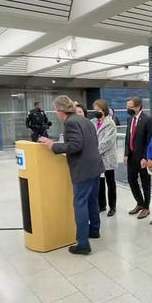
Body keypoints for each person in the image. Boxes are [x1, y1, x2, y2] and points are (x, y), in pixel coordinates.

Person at [39, 95, 105, 255]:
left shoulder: (70, 122)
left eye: (56, 110)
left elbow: (75, 145)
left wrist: (53, 145)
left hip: (83, 170)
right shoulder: (86, 121)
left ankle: (83, 243)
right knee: (92, 201)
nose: (56, 113)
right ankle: (94, 230)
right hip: (95, 167)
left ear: (61, 111)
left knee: (80, 203)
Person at [124, 96, 152, 219]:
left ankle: (146, 207)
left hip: (142, 158)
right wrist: (126, 153)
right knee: (131, 180)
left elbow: (149, 141)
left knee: (145, 182)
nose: (128, 109)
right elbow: (127, 137)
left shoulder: (147, 120)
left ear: (138, 107)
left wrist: (145, 157)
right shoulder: (130, 119)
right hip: (131, 156)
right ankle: (140, 203)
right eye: (127, 107)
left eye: (130, 107)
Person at [91, 99, 118, 217]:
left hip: (107, 158)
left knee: (110, 183)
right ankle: (102, 205)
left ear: (104, 110)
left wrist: (96, 151)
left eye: (98, 110)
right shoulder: (93, 122)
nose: (95, 112)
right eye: (94, 110)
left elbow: (107, 142)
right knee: (100, 183)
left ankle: (112, 207)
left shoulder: (110, 124)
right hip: (97, 159)